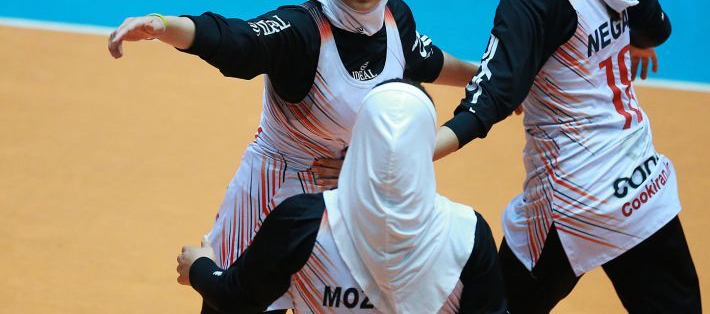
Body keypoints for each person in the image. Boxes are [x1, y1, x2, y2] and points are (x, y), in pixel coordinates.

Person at [107, 0, 478, 311]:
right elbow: (237, 40)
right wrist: (163, 26)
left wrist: (484, 76)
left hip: (350, 205)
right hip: (270, 200)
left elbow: (425, 60)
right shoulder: (301, 31)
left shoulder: (395, 19)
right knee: (235, 304)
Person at [433, 0, 702, 313]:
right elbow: (655, 26)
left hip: (571, 200)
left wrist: (417, 152)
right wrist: (633, 39)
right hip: (640, 185)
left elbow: (491, 98)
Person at [176, 80, 508, 314]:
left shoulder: (304, 223)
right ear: (426, 145)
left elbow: (235, 299)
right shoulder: (468, 233)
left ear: (360, 138)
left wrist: (199, 267)